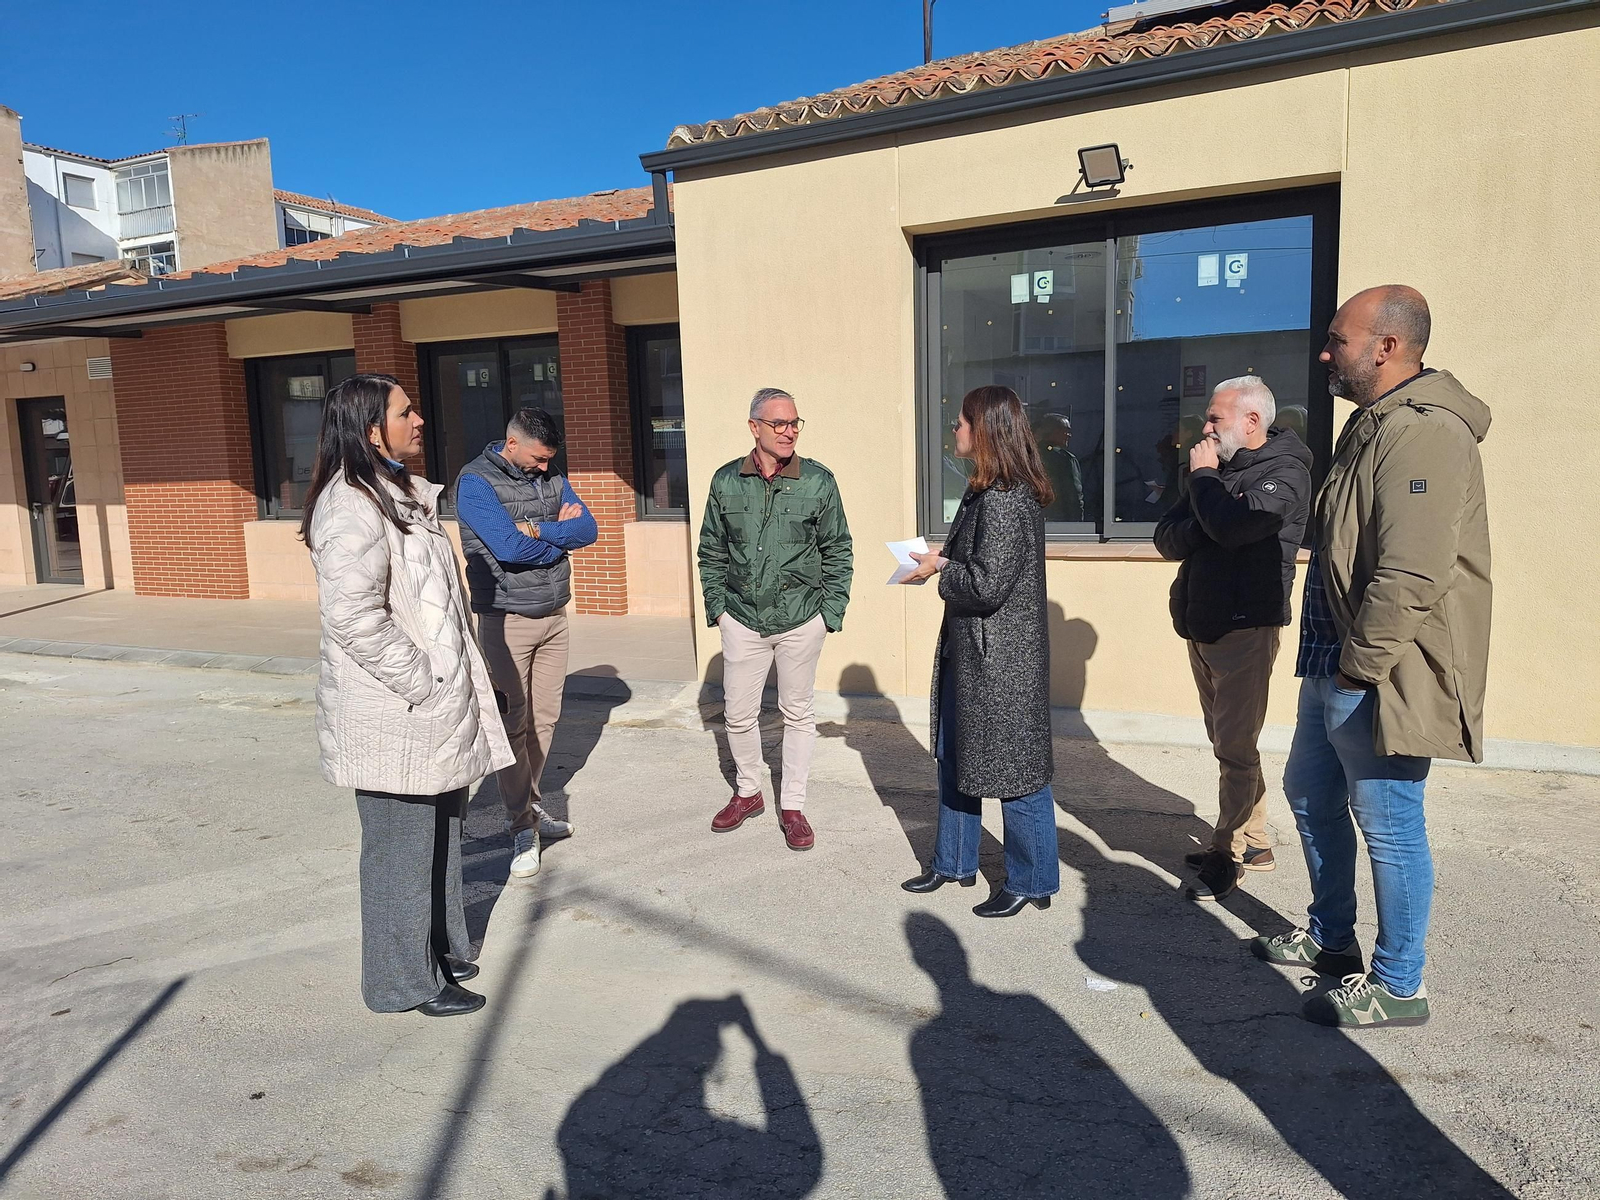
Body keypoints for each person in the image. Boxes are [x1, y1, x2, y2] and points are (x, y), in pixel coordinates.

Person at [1253, 286, 1492, 1029]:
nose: (1326, 353)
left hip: (1375, 669)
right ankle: (1332, 940)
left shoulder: (1424, 432)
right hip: (1331, 657)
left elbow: (1413, 572)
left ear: (1388, 347)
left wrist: (1360, 667)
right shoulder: (1373, 423)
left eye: (1339, 340)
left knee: (1388, 821)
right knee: (1309, 796)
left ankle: (1399, 984)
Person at [302, 374, 513, 1019]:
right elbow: (353, 616)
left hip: (432, 710)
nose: (419, 419)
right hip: (396, 712)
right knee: (399, 852)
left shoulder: (400, 494)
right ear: (372, 430)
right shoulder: (351, 507)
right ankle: (402, 982)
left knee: (441, 833)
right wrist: (421, 679)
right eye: (405, 411)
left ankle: (440, 950)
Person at [899, 385, 1060, 918]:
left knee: (1016, 772)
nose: (955, 429)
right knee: (955, 757)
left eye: (962, 422)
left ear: (986, 429)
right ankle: (953, 862)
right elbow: (980, 561)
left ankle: (1032, 879)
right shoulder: (984, 489)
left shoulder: (1009, 498)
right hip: (972, 654)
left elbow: (988, 585)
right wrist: (943, 555)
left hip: (1002, 663)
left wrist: (939, 569)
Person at [1154, 376, 1312, 902]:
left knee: (1236, 748)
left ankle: (1228, 853)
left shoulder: (1286, 473)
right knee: (1230, 745)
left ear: (1251, 422)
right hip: (1200, 622)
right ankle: (1259, 840)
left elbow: (1236, 528)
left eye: (1215, 418)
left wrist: (1204, 490)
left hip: (1247, 627)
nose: (1205, 428)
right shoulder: (1214, 471)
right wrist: (1207, 505)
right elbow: (1167, 538)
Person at [697, 387, 854, 851]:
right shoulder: (726, 481)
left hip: (802, 618)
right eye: (779, 424)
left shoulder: (818, 481)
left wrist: (829, 614)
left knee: (797, 713)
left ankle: (793, 805)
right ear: (754, 427)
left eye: (794, 423)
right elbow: (711, 550)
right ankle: (748, 793)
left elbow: (838, 550)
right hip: (742, 618)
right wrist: (719, 609)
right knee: (738, 714)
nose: (789, 432)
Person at [455, 408, 596, 881]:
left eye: (548, 460)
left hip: (555, 617)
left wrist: (539, 530)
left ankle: (531, 809)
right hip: (507, 621)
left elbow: (589, 530)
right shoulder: (475, 483)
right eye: (537, 459)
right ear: (511, 444)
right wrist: (558, 536)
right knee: (513, 727)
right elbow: (508, 549)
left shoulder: (550, 472)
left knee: (546, 720)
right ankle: (521, 827)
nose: (543, 468)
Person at [1035, 412, 1085, 522]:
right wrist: (1078, 525)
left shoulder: (1031, 454)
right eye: (1065, 430)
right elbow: (1074, 495)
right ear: (1053, 431)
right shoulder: (1064, 459)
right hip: (1061, 522)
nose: (1069, 435)